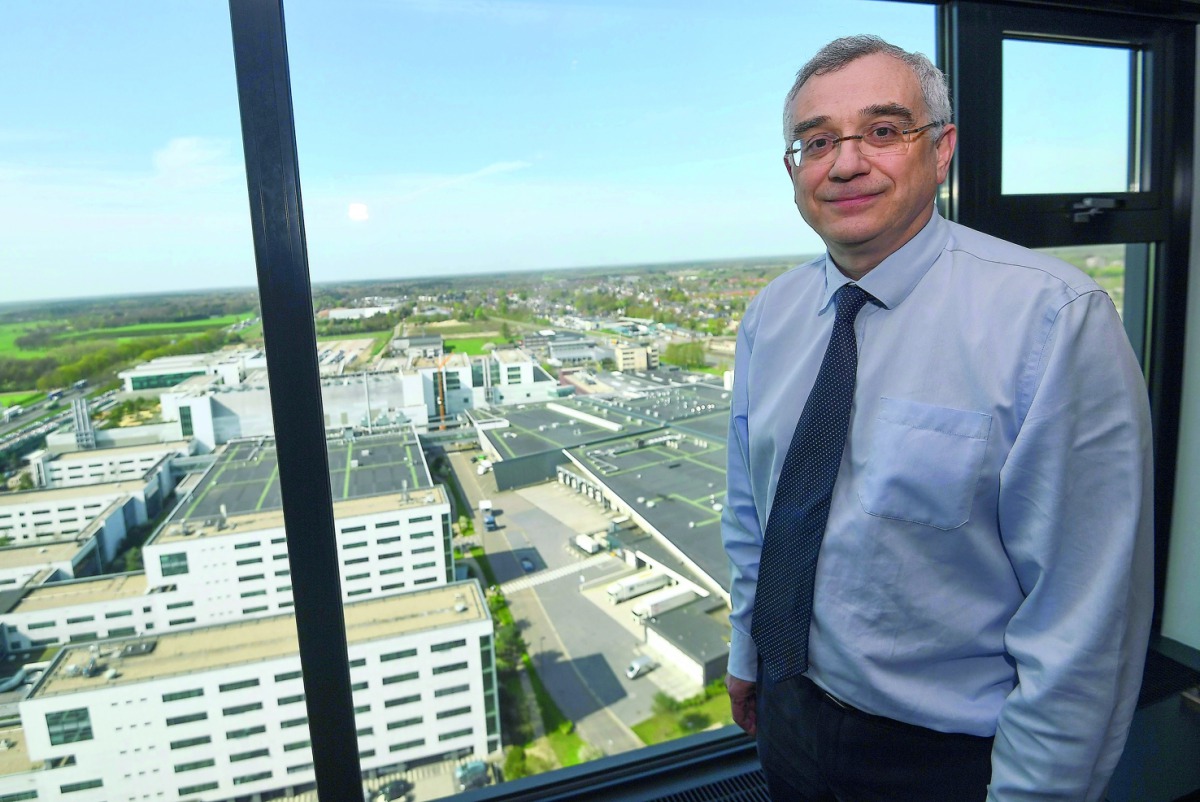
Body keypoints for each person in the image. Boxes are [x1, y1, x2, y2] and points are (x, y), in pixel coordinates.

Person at [722, 34, 1153, 801]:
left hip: (948, 756)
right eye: (817, 141)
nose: (845, 162)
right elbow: (754, 514)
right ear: (793, 168)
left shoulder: (1051, 320)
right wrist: (750, 652)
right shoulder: (771, 316)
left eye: (883, 131)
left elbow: (1085, 621)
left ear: (943, 148)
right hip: (788, 714)